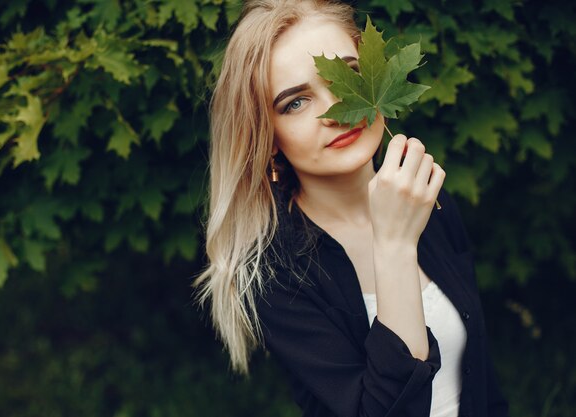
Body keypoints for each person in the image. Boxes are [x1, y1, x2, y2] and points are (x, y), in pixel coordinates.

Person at [194, 1, 510, 416]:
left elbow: (480, 373)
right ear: (267, 137)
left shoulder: (424, 197)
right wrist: (395, 245)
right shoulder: (274, 272)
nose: (335, 112)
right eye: (295, 102)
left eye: (348, 76)